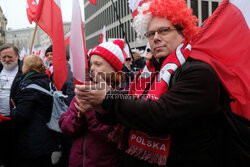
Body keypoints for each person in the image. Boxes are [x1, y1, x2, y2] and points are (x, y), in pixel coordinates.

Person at [74, 0, 231, 166]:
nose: (156, 38)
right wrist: (101, 108)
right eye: (150, 34)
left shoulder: (199, 72)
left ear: (183, 32)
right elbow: (128, 115)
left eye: (164, 30)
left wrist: (108, 98)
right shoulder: (148, 73)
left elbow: (161, 115)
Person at [59, 40, 126, 167]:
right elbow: (65, 127)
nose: (93, 68)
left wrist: (91, 112)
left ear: (114, 68)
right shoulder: (85, 89)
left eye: (98, 64)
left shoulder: (122, 95)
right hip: (76, 161)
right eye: (91, 64)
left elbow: (112, 137)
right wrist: (79, 116)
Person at [10, 55, 58, 167]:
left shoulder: (29, 86)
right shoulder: (46, 80)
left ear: (27, 67)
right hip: (47, 135)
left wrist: (14, 110)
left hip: (33, 139)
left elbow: (21, 115)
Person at [45, 45, 75, 167]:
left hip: (65, 113)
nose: (49, 57)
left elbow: (70, 91)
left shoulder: (66, 70)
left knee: (68, 142)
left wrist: (66, 113)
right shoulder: (54, 70)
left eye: (52, 54)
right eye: (47, 55)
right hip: (60, 113)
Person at [0, 44, 23, 167]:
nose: (7, 60)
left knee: (15, 153)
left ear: (17, 56)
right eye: (3, 57)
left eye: (10, 56)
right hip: (0, 120)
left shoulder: (24, 71)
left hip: (16, 120)